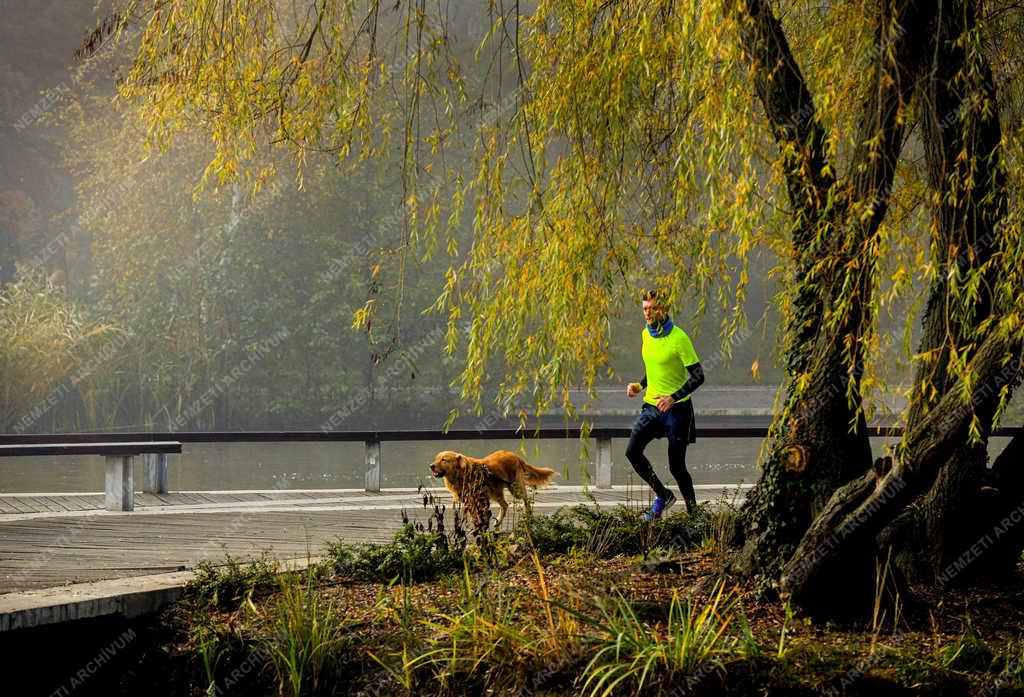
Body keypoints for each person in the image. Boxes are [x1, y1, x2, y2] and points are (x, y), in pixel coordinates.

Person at [625, 289, 705, 521]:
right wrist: (639, 386)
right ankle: (663, 495)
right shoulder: (645, 335)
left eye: (653, 308)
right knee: (632, 452)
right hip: (651, 407)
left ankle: (695, 517)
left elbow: (698, 376)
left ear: (664, 309)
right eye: (645, 309)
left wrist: (673, 397)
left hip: (677, 411)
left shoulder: (679, 338)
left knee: (676, 467)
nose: (648, 313)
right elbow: (654, 370)